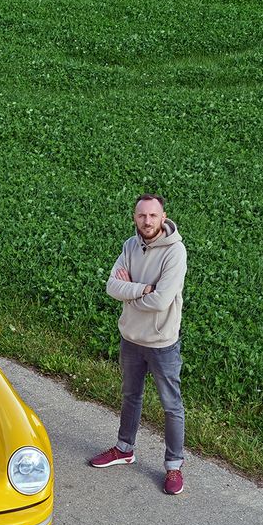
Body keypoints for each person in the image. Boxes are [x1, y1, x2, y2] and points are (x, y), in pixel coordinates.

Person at [90, 194, 189, 495]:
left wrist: (131, 289)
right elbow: (111, 286)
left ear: (163, 217)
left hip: (161, 342)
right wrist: (144, 287)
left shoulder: (175, 252)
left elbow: (161, 301)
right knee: (130, 396)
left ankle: (173, 466)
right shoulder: (130, 246)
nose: (147, 221)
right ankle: (124, 449)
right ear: (135, 217)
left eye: (153, 216)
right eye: (141, 215)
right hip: (131, 337)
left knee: (171, 406)